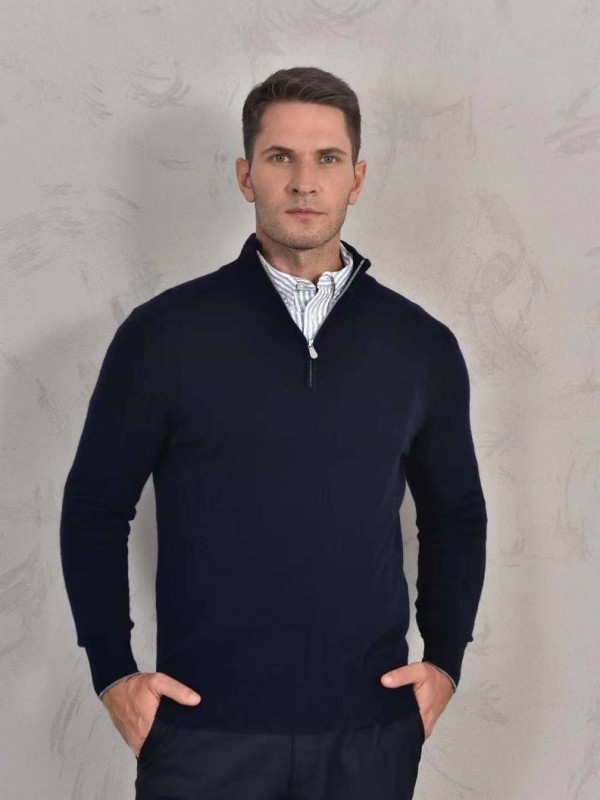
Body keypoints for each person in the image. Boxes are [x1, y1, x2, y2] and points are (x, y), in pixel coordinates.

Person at [60, 65, 487, 800]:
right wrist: (112, 672)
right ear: (245, 174)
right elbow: (95, 508)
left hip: (370, 735)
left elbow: (456, 514)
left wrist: (445, 660)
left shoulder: (420, 346)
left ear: (356, 179)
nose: (304, 182)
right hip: (201, 735)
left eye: (327, 158)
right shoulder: (163, 336)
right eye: (280, 156)